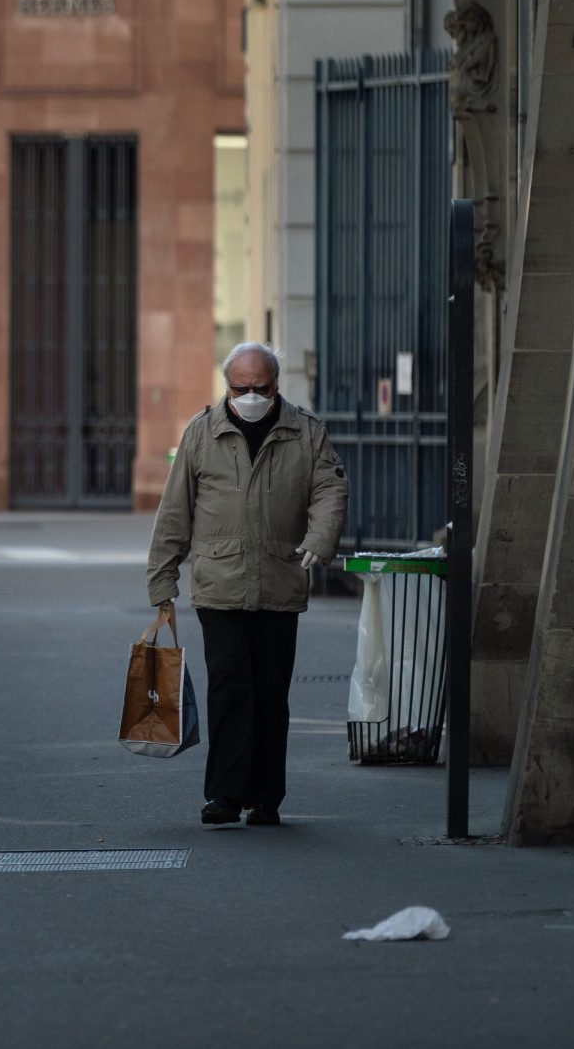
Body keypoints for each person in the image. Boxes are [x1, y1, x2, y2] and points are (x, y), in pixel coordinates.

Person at [146, 342, 347, 826]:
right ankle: (225, 796)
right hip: (221, 584)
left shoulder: (306, 432)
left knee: (271, 693)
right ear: (227, 387)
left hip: (280, 580)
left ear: (277, 385)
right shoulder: (201, 432)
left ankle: (265, 798)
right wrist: (162, 578)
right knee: (232, 687)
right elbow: (175, 509)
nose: (252, 395)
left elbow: (330, 489)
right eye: (242, 388)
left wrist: (321, 539)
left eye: (261, 387)